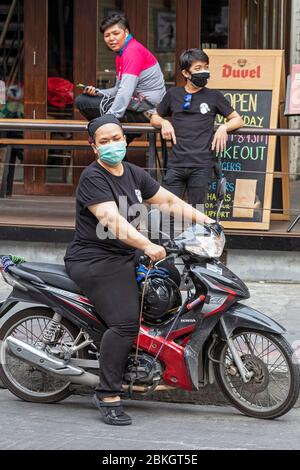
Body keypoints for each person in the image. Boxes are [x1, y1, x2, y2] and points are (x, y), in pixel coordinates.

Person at [64, 114, 215, 426]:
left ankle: (148, 356)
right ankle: (107, 394)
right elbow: (114, 222)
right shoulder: (93, 178)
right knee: (124, 323)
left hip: (127, 255)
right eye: (103, 141)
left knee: (172, 281)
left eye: (116, 138)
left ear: (125, 139)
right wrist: (147, 246)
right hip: (96, 260)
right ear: (94, 147)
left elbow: (168, 201)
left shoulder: (132, 173)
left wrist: (206, 221)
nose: (111, 145)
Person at [150, 48, 244, 209]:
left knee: (197, 211)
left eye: (206, 67)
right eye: (198, 69)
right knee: (167, 209)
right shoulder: (173, 94)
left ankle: (195, 234)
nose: (204, 72)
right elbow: (154, 117)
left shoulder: (214, 96)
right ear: (186, 73)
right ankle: (170, 235)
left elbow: (238, 119)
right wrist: (164, 122)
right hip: (176, 164)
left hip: (202, 164)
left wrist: (223, 127)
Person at [75, 14, 166, 129]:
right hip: (137, 103)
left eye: (116, 33)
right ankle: (118, 134)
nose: (111, 38)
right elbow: (118, 89)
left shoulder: (132, 51)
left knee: (83, 102)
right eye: (107, 35)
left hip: (148, 108)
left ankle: (111, 131)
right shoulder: (121, 55)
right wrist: (98, 92)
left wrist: (110, 118)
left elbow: (125, 91)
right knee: (88, 98)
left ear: (126, 32)